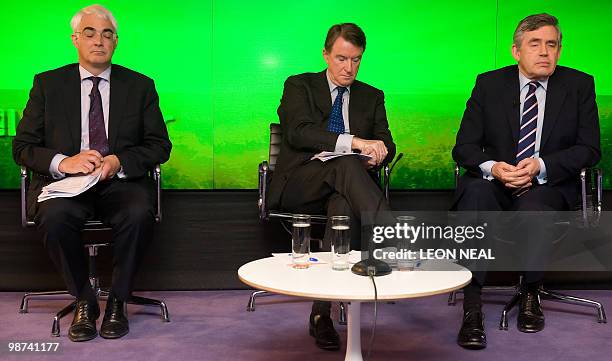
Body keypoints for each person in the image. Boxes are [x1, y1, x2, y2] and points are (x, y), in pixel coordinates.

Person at [12, 4, 172, 342]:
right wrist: (63, 162)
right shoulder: (47, 84)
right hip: (66, 184)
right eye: (89, 33)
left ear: (116, 41)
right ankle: (85, 299)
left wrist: (118, 161)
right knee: (55, 218)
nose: (98, 40)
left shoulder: (140, 86)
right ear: (75, 40)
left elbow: (159, 146)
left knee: (138, 212)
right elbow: (23, 147)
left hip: (119, 183)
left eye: (107, 34)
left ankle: (117, 300)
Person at [452, 13, 600, 349]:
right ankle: (471, 305)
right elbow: (463, 147)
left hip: (548, 185)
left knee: (535, 208)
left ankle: (531, 292)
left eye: (552, 45)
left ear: (560, 50)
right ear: (516, 51)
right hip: (496, 182)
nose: (545, 52)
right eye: (536, 44)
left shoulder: (579, 85)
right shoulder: (489, 84)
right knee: (476, 195)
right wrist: (496, 168)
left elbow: (589, 149)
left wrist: (540, 166)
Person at [268, 23, 396, 351]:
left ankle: (321, 314)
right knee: (345, 160)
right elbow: (298, 132)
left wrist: (377, 153)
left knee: (342, 204)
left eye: (356, 60)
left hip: (346, 188)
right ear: (326, 55)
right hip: (301, 184)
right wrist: (353, 143)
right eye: (341, 59)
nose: (348, 68)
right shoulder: (299, 85)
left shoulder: (372, 96)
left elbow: (387, 143)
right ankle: (391, 236)